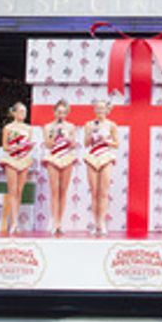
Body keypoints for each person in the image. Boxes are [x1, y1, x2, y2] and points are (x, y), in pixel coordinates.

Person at [83, 98, 119, 234]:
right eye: (97, 109)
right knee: (94, 191)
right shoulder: (89, 125)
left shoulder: (112, 125)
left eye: (102, 109)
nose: (100, 111)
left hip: (106, 157)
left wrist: (107, 141)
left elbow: (117, 144)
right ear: (94, 110)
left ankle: (102, 223)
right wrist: (92, 134)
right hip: (92, 156)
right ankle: (95, 222)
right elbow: (86, 144)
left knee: (103, 192)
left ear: (107, 110)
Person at [42, 98, 78, 234]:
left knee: (63, 190)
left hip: (67, 158)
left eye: (63, 113)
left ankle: (60, 222)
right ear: (54, 112)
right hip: (53, 158)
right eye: (58, 112)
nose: (60, 115)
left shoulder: (71, 127)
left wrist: (67, 137)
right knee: (54, 190)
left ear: (66, 114)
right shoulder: (48, 127)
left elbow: (73, 144)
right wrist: (55, 134)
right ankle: (54, 221)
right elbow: (47, 144)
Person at [0, 102, 33, 235]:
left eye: (24, 112)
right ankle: (12, 222)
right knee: (12, 190)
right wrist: (15, 148)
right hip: (11, 159)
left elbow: (28, 144)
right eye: (20, 111)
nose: (23, 114)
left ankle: (15, 220)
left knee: (19, 190)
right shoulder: (8, 128)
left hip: (24, 159)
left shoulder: (28, 129)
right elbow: (5, 147)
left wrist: (27, 147)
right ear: (14, 113)